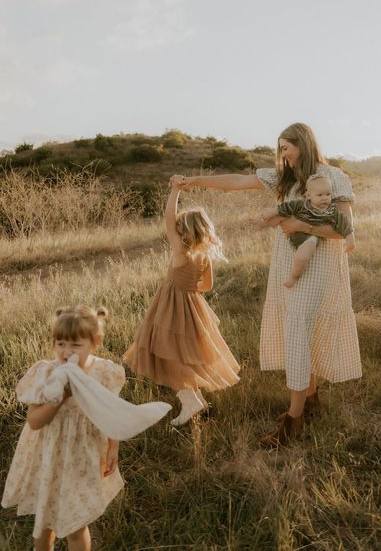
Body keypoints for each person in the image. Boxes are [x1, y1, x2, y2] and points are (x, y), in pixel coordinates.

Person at [173, 122, 362, 446]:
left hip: (320, 266)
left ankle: (294, 419)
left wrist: (303, 225)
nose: (281, 154)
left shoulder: (334, 177)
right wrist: (194, 181)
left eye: (285, 147)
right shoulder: (285, 178)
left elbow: (343, 230)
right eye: (279, 149)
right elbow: (239, 181)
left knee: (298, 328)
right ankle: (311, 398)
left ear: (302, 143)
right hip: (287, 264)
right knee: (301, 328)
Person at [2, 306, 126, 551]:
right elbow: (35, 421)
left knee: (76, 523)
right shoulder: (46, 373)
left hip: (82, 456)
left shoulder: (103, 372)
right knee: (45, 520)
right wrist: (59, 397)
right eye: (60, 344)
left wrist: (114, 447)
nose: (66, 352)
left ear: (95, 342)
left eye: (75, 345)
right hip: (48, 456)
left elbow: (110, 412)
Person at [123, 176, 240, 426]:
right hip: (192, 305)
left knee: (169, 353)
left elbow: (167, 218)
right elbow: (207, 286)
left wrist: (175, 190)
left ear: (182, 231)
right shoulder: (203, 256)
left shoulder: (180, 251)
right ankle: (194, 401)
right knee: (183, 354)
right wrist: (189, 288)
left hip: (170, 305)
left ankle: (191, 402)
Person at [255, 173, 355, 288]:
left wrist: (350, 239)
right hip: (293, 232)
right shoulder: (302, 205)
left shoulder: (332, 211)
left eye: (328, 194)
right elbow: (286, 206)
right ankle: (261, 224)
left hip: (310, 237)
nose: (324, 198)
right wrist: (273, 211)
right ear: (308, 196)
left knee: (303, 256)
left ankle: (294, 276)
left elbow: (344, 224)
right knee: (283, 214)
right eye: (319, 195)